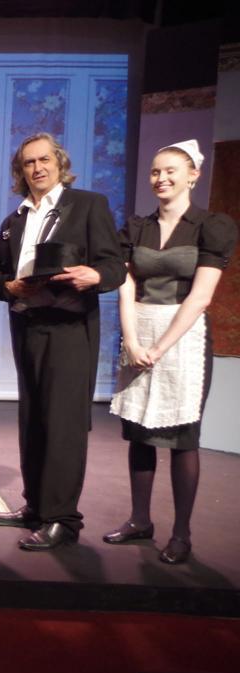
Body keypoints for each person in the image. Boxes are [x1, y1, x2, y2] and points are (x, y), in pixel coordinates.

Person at [104, 140, 237, 564]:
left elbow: (201, 297)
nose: (161, 178)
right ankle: (140, 520)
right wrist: (132, 340)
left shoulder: (210, 226)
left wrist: (160, 347)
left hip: (183, 337)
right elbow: (126, 285)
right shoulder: (137, 227)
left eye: (170, 171)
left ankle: (181, 534)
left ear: (193, 175)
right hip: (139, 328)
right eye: (155, 172)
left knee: (182, 437)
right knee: (139, 431)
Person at [0, 132, 125, 550]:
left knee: (64, 423)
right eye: (29, 162)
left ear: (59, 162)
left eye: (44, 159)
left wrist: (96, 275)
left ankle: (63, 520)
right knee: (32, 418)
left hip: (69, 327)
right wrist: (9, 288)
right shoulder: (14, 221)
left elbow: (114, 265)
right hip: (27, 324)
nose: (37, 168)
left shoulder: (87, 204)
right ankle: (36, 505)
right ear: (21, 171)